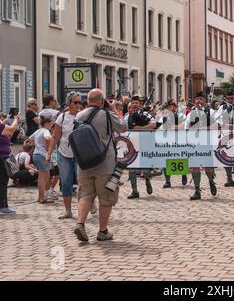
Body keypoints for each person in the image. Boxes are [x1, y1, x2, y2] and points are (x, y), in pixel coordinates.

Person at [74, 89, 128, 242]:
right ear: (101, 100)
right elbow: (123, 127)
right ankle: (103, 231)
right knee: (106, 197)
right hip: (105, 162)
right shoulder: (107, 114)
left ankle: (80, 224)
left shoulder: (79, 115)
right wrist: (113, 109)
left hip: (84, 163)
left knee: (85, 195)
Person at [46, 91, 83, 219]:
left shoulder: (84, 116)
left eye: (80, 102)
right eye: (76, 102)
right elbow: (55, 137)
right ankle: (68, 210)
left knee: (82, 181)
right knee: (66, 182)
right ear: (69, 103)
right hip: (64, 154)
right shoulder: (62, 117)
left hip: (81, 155)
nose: (79, 105)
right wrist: (49, 153)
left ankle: (88, 203)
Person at [185, 92, 218, 200]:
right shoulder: (190, 113)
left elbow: (217, 125)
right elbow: (186, 127)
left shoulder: (211, 112)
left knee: (208, 167)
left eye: (201, 99)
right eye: (197, 99)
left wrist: (206, 128)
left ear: (204, 101)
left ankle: (211, 181)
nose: (199, 101)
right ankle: (197, 190)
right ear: (195, 101)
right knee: (195, 166)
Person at [126, 95, 157, 199]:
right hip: (132, 143)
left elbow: (153, 124)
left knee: (145, 167)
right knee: (131, 167)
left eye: (137, 103)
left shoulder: (145, 114)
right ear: (130, 104)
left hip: (144, 142)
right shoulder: (127, 115)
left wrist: (140, 128)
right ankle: (134, 191)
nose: (135, 104)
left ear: (140, 104)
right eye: (133, 103)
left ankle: (147, 181)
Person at [159, 99, 188, 188]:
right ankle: (167, 181)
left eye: (171, 107)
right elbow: (162, 127)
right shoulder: (163, 117)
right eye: (168, 107)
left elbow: (185, 125)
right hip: (167, 140)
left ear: (175, 107)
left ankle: (183, 173)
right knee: (166, 160)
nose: (170, 109)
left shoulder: (181, 115)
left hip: (180, 139)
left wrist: (174, 127)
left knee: (181, 157)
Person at [29, 116, 55, 204]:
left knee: (46, 175)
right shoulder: (45, 131)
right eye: (51, 124)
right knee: (42, 176)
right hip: (42, 155)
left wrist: (36, 145)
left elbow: (28, 140)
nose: (52, 125)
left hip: (36, 154)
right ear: (47, 123)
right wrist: (49, 148)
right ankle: (41, 197)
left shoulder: (38, 131)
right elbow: (48, 138)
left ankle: (41, 196)